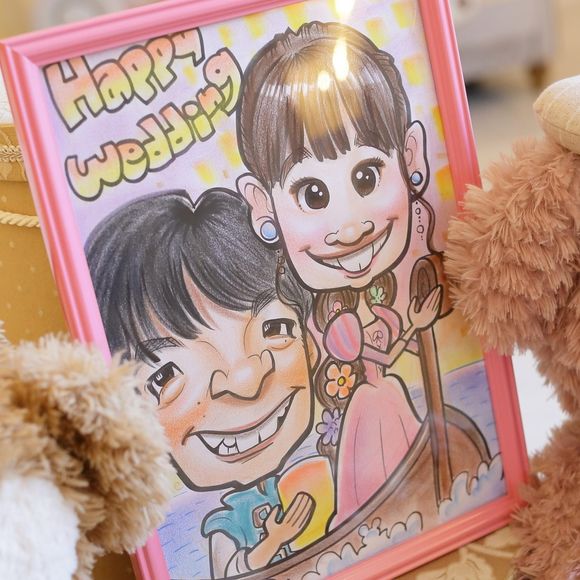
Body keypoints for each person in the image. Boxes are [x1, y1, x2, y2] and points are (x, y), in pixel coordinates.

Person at [236, 21, 442, 526]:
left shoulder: (387, 288)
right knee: (378, 497)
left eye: (367, 176)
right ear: (263, 207)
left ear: (410, 156)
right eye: (312, 194)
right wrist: (414, 325)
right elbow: (374, 355)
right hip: (368, 406)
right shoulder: (326, 318)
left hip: (382, 398)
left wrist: (418, 321)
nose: (350, 226)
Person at [85, 189, 324, 577]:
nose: (245, 381)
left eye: (275, 328)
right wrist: (273, 541)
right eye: (166, 375)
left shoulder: (319, 473)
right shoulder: (224, 526)